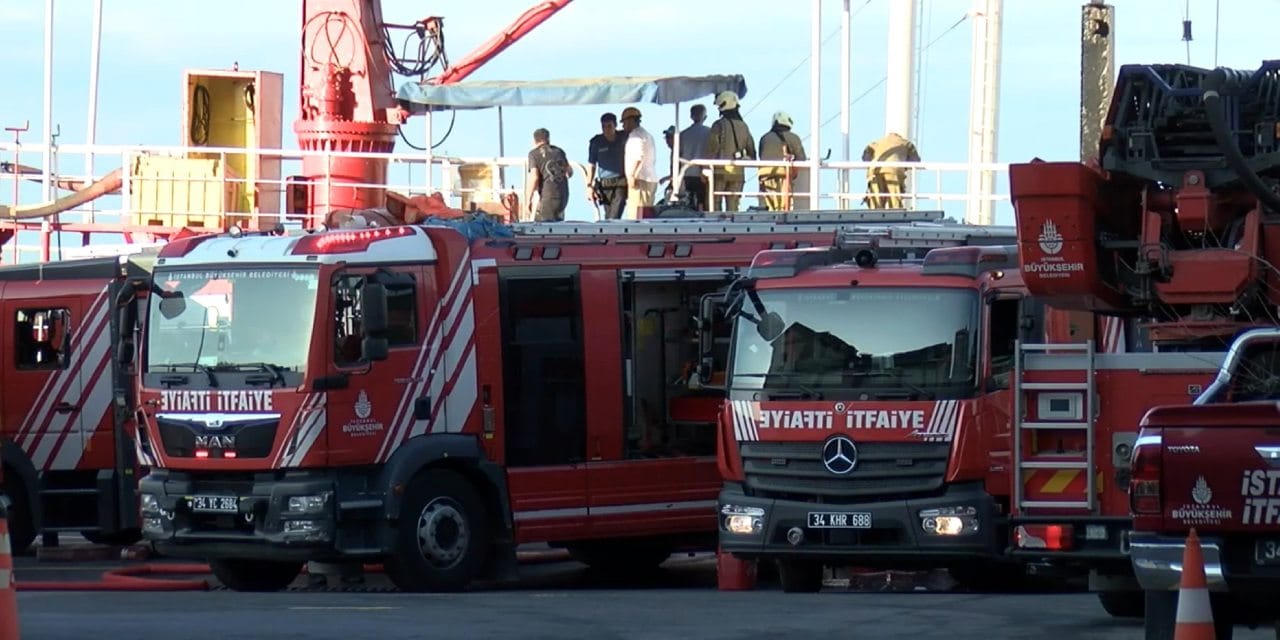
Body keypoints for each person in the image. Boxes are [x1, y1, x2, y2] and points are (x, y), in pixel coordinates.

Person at [704, 90, 755, 212]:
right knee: (733, 206)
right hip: (738, 174)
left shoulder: (718, 125)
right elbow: (752, 151)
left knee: (714, 203)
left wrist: (704, 168)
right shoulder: (744, 126)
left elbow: (712, 149)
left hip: (719, 172)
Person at [757, 111, 807, 211]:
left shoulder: (764, 138)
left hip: (764, 175)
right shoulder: (793, 137)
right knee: (783, 206)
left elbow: (760, 155)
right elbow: (802, 158)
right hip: (783, 174)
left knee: (770, 204)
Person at [585, 112, 628, 220]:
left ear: (615, 125)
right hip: (605, 184)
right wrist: (589, 186)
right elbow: (591, 164)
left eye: (609, 126)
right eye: (603, 126)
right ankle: (608, 236)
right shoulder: (596, 142)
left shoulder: (624, 138)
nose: (606, 129)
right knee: (608, 216)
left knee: (615, 215)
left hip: (621, 183)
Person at [525, 128, 573, 221]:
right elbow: (569, 172)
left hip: (548, 197)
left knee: (542, 228)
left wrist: (528, 200)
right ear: (548, 139)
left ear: (535, 140)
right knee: (558, 227)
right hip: (563, 197)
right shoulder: (559, 151)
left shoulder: (534, 154)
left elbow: (534, 177)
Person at [862, 132, 921, 209]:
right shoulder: (906, 143)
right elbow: (916, 161)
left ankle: (876, 216)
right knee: (894, 201)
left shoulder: (878, 142)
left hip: (875, 171)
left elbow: (865, 156)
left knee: (876, 201)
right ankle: (896, 215)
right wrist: (905, 166)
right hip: (894, 171)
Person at [620, 106, 657, 219]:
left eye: (624, 122)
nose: (623, 125)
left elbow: (638, 158)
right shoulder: (646, 134)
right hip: (647, 179)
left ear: (631, 120)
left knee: (637, 216)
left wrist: (632, 177)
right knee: (645, 213)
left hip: (640, 180)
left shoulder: (636, 136)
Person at [678, 104, 712, 210]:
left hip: (687, 172)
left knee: (689, 200)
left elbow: (679, 153)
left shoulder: (683, 134)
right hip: (703, 173)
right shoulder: (709, 132)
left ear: (691, 116)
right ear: (705, 117)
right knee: (703, 201)